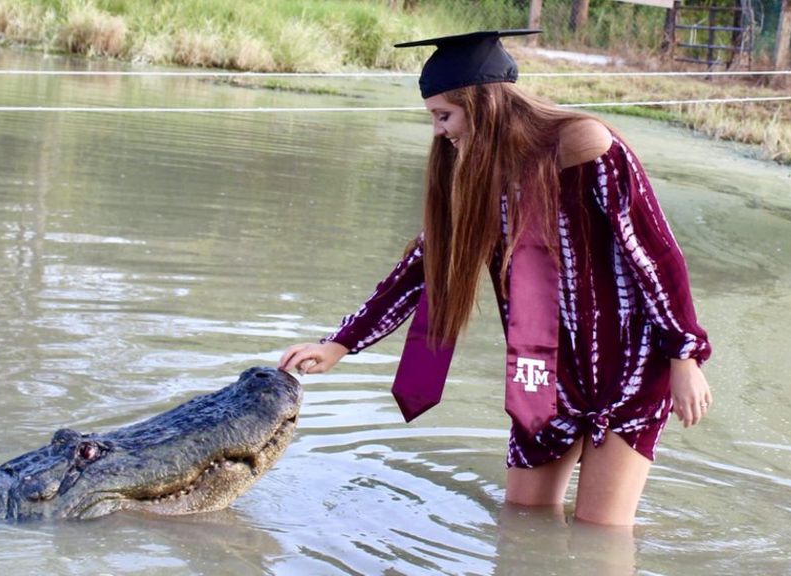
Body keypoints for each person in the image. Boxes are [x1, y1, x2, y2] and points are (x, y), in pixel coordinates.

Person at [279, 30, 712, 527]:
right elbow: (425, 265)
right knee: (521, 522)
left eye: (444, 116)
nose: (439, 132)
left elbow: (655, 255)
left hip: (627, 370)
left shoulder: (586, 147)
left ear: (481, 104)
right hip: (545, 374)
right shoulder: (479, 177)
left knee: (600, 536)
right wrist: (339, 343)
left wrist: (685, 356)